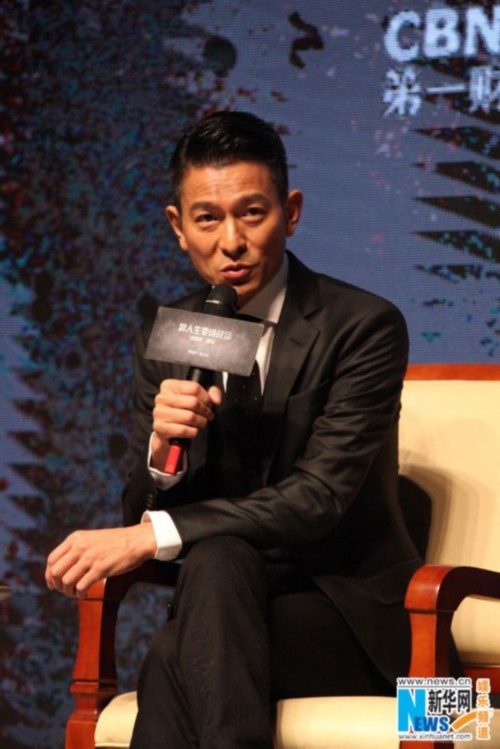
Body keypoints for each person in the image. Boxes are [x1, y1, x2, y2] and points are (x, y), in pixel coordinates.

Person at [46, 110, 422, 748]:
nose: (232, 242)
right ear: (177, 227)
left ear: (290, 212)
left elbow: (317, 499)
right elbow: (141, 506)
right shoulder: (170, 332)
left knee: (174, 653)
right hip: (224, 599)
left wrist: (152, 535)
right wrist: (161, 456)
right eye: (208, 219)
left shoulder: (364, 326)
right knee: (215, 572)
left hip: (357, 620)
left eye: (252, 213)